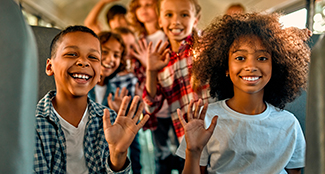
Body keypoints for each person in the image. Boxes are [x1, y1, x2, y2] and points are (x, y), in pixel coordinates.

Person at [175, 13, 310, 174]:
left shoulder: (289, 125)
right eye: (240, 57)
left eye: (262, 58)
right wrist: (193, 151)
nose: (251, 65)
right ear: (225, 66)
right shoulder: (206, 120)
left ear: (276, 65)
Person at [33, 25, 149, 173]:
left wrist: (117, 155)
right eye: (72, 54)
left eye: (93, 57)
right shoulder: (32, 124)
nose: (83, 62)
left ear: (100, 73)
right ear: (50, 66)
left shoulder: (109, 119)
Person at [143, 0, 214, 172]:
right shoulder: (161, 59)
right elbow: (151, 106)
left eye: (184, 15)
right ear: (160, 20)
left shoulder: (206, 47)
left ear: (195, 20)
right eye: (169, 15)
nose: (176, 21)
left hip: (218, 133)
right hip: (188, 142)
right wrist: (151, 71)